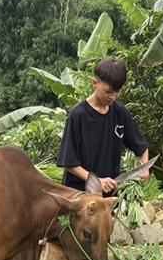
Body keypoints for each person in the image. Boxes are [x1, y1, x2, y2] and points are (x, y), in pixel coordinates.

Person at [57, 57, 149, 194]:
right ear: (95, 83)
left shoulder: (120, 112)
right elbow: (69, 163)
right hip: (80, 196)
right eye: (108, 91)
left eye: (117, 91)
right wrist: (97, 180)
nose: (113, 96)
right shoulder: (77, 115)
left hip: (107, 195)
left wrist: (144, 167)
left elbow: (141, 147)